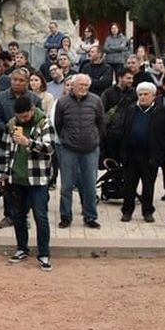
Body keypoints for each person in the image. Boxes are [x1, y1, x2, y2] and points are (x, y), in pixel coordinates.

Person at [0, 96, 56, 271]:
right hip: (17, 179)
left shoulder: (44, 123)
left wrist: (28, 143)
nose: (21, 120)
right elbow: (5, 150)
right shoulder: (12, 124)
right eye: (19, 117)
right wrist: (3, 174)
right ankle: (22, 248)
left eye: (24, 116)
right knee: (18, 216)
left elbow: (50, 148)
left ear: (31, 110)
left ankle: (44, 254)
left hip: (38, 179)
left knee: (41, 217)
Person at [52, 73, 105, 229]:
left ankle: (90, 217)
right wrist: (66, 140)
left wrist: (95, 139)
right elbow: (58, 124)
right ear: (72, 86)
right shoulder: (62, 102)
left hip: (90, 149)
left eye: (86, 85)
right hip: (68, 149)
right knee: (67, 185)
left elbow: (101, 123)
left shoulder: (96, 101)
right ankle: (66, 216)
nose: (83, 88)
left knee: (90, 184)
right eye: (80, 85)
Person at [114, 82, 165, 223]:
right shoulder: (131, 108)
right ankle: (127, 211)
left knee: (148, 185)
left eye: (146, 94)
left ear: (153, 95)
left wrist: (158, 153)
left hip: (149, 155)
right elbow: (123, 130)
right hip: (131, 154)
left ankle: (147, 211)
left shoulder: (160, 111)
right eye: (140, 94)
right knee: (129, 185)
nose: (143, 97)